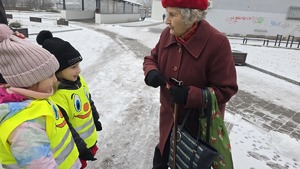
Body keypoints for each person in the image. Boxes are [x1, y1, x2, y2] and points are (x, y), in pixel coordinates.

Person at [143, 0, 238, 168]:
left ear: (192, 15)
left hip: (197, 132)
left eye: (173, 15)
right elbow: (152, 59)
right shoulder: (167, 34)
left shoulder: (218, 43)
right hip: (168, 123)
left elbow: (227, 89)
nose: (166, 21)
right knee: (162, 160)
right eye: (167, 13)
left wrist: (191, 95)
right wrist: (151, 71)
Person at [0, 24, 81, 169]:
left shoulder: (37, 99)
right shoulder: (25, 126)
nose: (55, 80)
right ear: (29, 81)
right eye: (50, 75)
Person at [36, 30, 102, 169]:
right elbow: (66, 127)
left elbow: (88, 101)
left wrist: (95, 119)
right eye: (73, 67)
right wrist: (81, 148)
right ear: (57, 71)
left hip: (89, 140)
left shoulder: (79, 81)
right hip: (77, 148)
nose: (79, 70)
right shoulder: (58, 96)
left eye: (78, 65)